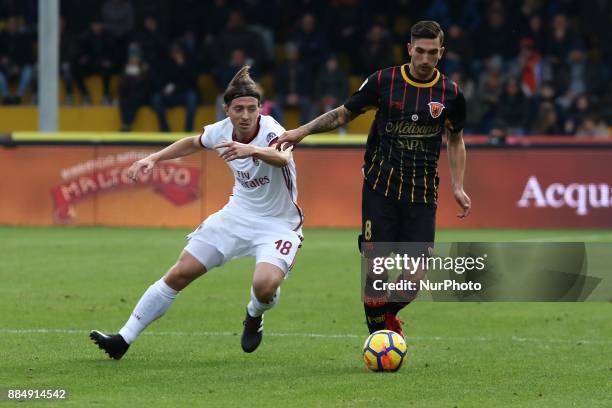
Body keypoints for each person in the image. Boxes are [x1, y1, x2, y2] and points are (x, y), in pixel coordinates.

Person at [90, 66, 304, 359]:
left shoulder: (273, 131)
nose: (245, 115)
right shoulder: (220, 130)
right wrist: (153, 158)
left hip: (279, 224)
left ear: (259, 110)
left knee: (264, 287)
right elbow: (193, 142)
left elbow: (282, 158)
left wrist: (250, 150)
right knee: (180, 273)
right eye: (238, 109)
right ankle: (122, 339)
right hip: (237, 216)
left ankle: (254, 314)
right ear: (226, 109)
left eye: (251, 109)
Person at [277, 21, 470, 338]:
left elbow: (456, 139)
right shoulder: (384, 81)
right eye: (418, 51)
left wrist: (459, 186)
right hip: (380, 188)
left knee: (414, 278)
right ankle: (379, 336)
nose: (424, 59)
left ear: (441, 53)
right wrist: (302, 131)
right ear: (409, 49)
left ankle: (384, 317)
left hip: (422, 194)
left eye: (431, 53)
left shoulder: (451, 93)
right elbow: (343, 113)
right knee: (376, 273)